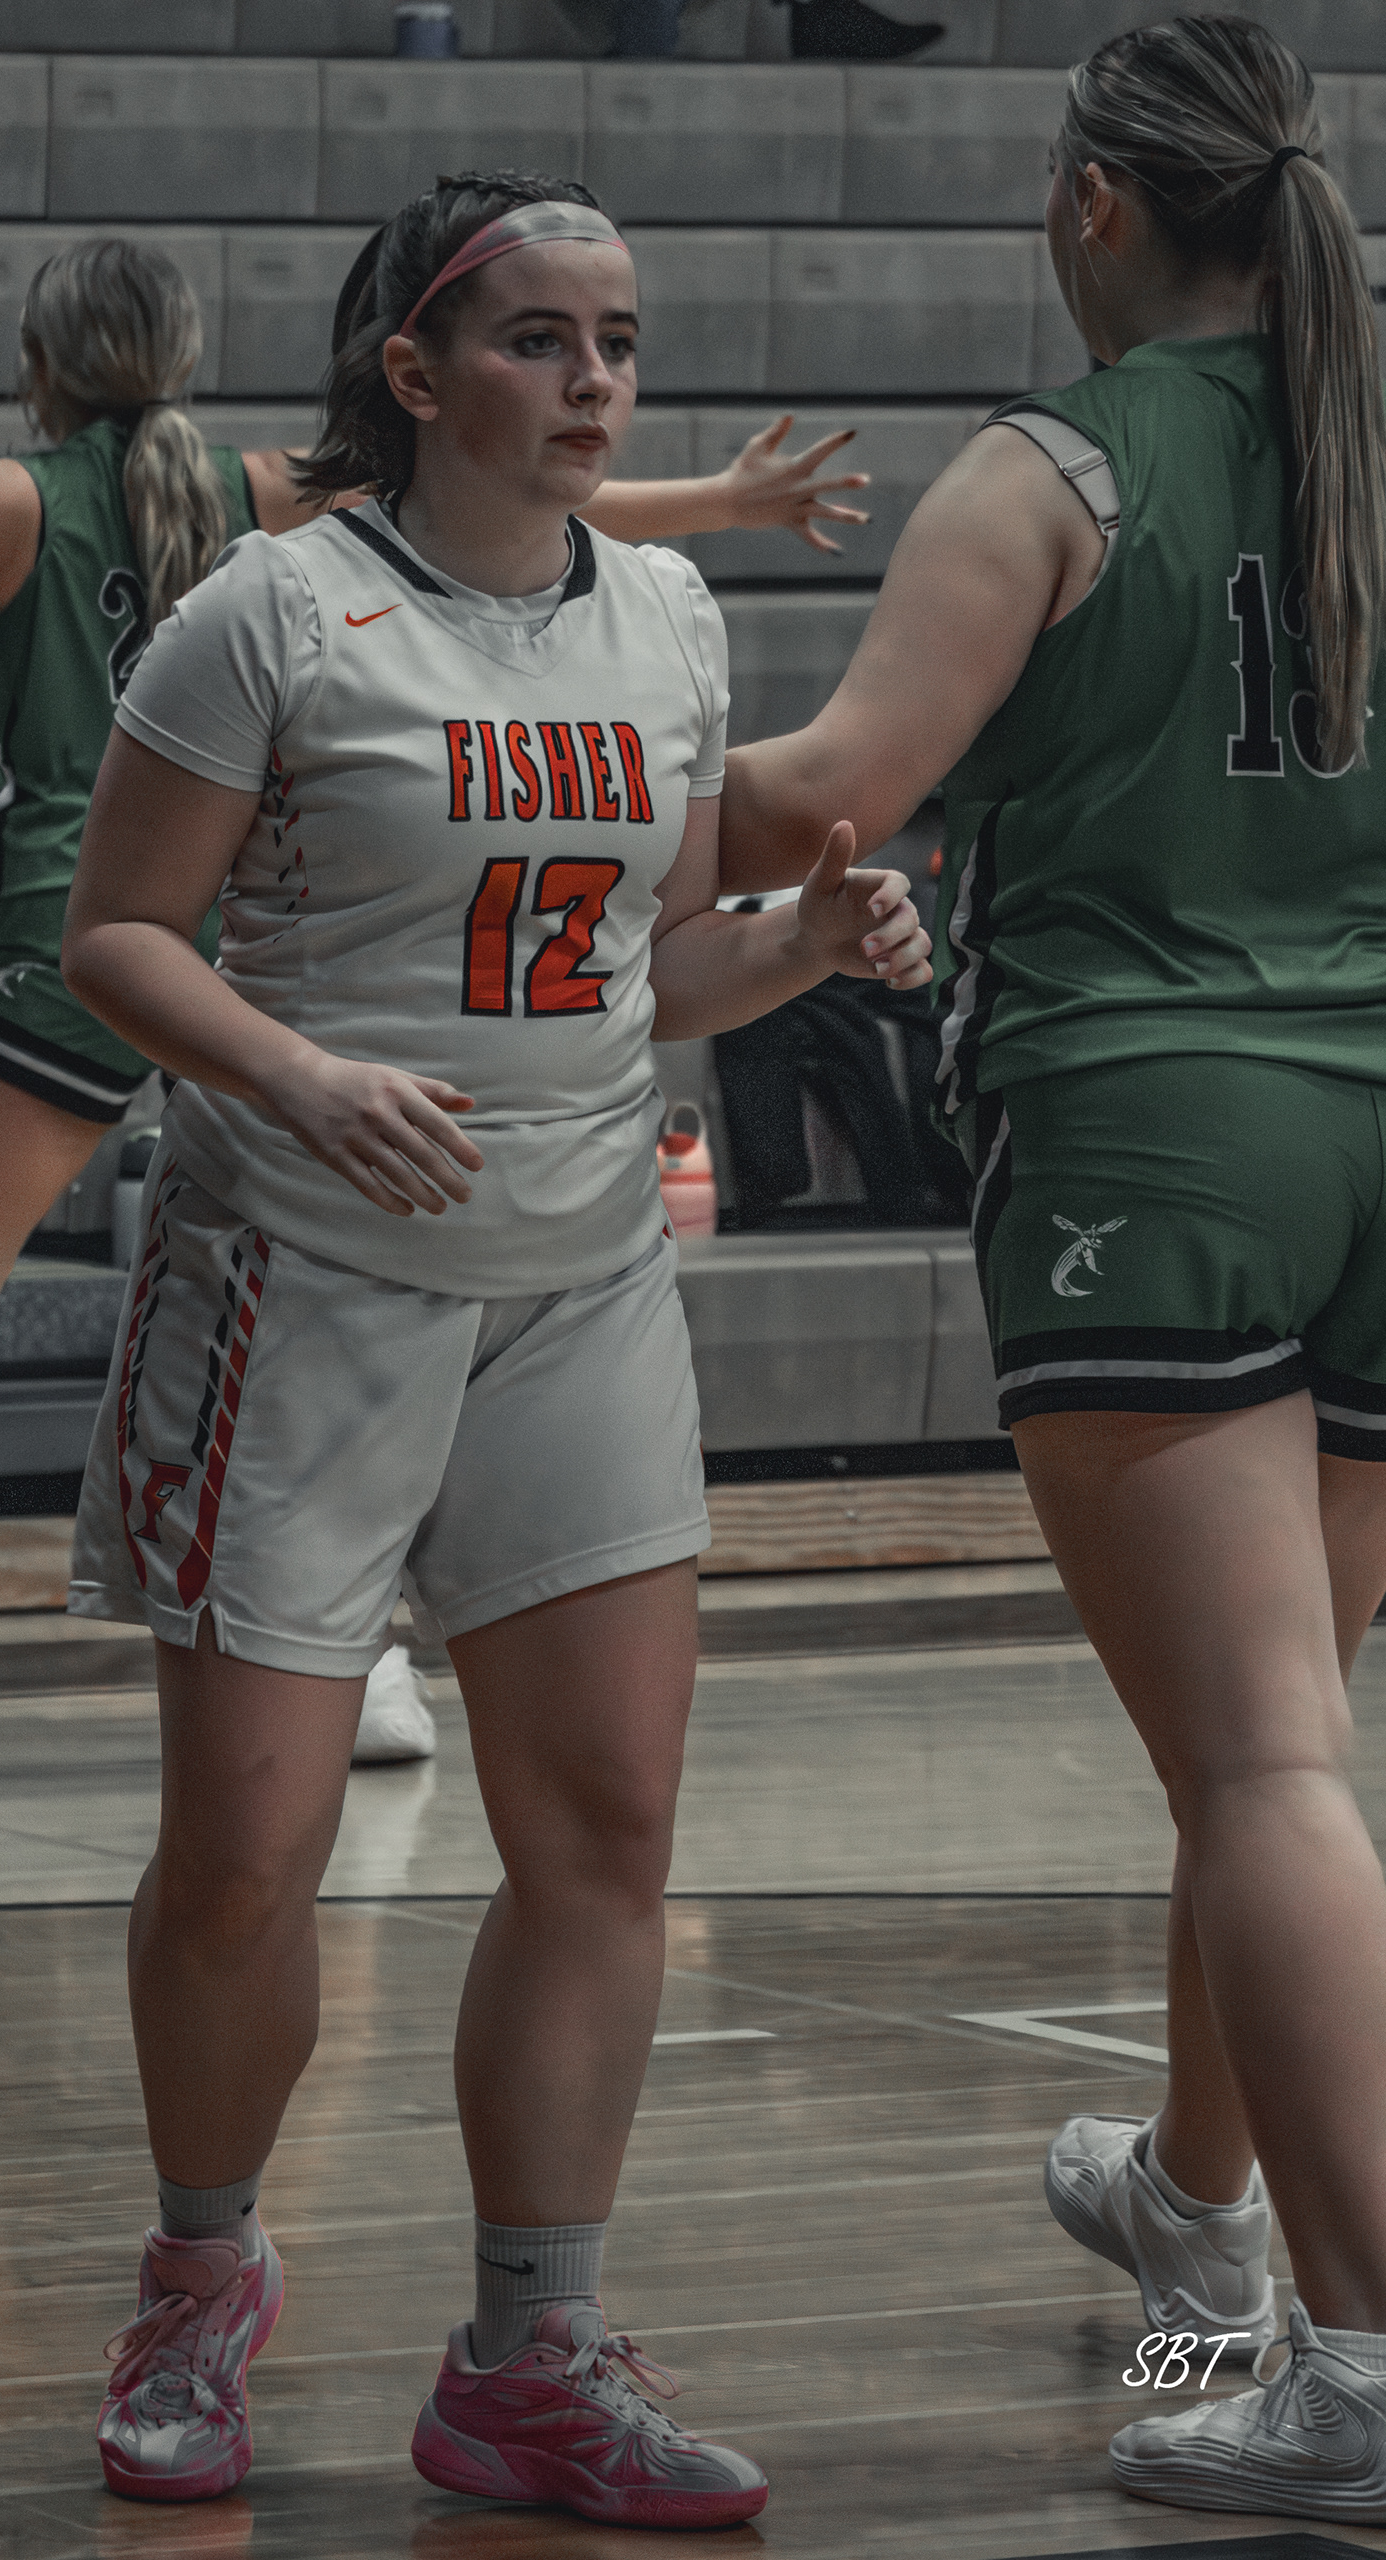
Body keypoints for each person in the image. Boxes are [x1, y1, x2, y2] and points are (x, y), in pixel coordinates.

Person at [54, 170, 930, 2520]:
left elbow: (658, 962)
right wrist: (300, 1070)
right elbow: (113, 933)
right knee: (241, 1860)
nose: (597, 380)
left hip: (579, 1279)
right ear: (417, 371)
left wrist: (803, 939)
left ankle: (532, 2353)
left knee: (608, 1829)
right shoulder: (271, 612)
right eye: (543, 338)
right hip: (299, 1275)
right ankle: (200, 2277)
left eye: (618, 339)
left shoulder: (669, 610)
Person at [0, 233, 874, 1778]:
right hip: (247, 943)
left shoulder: (9, 496)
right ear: (179, 349)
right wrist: (725, 501)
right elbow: (528, 503)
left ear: (39, 363)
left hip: (79, 937)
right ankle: (364, 1655)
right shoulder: (264, 490)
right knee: (321, 1299)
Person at [717, 14, 1386, 2527]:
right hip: (1380, 1117)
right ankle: (1197, 2207)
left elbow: (832, 796)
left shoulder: (1051, 466)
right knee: (1269, 1735)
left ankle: (1363, 2363)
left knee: (1262, 1758)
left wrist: (524, 759)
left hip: (1156, 1126)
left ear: (1097, 202)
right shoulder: (1361, 433)